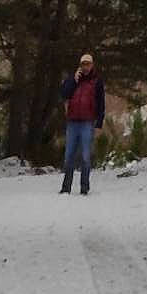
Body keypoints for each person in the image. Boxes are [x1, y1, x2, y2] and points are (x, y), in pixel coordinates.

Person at [59, 52, 105, 196]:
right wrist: (73, 80)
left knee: (85, 156)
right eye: (83, 64)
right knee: (69, 156)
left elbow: (101, 102)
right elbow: (64, 94)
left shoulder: (97, 81)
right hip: (72, 121)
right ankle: (66, 187)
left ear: (92, 65)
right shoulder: (72, 79)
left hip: (87, 121)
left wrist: (99, 122)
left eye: (88, 64)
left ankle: (84, 187)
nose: (86, 67)